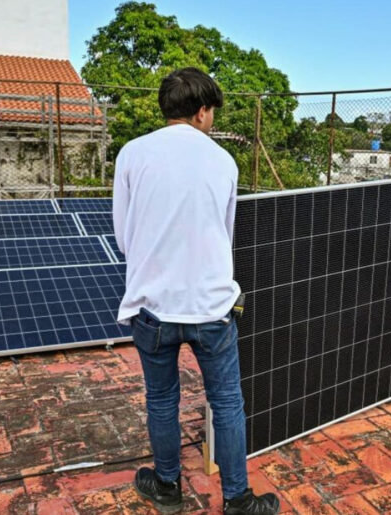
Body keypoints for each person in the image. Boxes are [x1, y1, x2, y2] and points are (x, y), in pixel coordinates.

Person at [113, 67, 280, 514]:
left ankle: (166, 486)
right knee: (226, 403)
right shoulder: (223, 161)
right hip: (211, 308)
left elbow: (124, 237)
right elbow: (223, 236)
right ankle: (237, 499)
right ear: (202, 111)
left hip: (152, 308)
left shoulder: (131, 154)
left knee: (162, 399)